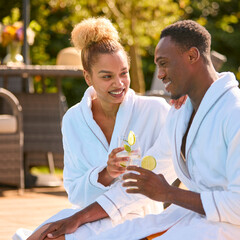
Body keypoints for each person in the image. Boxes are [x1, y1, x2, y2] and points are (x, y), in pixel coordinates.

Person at [78, 20, 240, 240]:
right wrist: (78, 218)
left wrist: (169, 193)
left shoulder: (234, 112)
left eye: (164, 64)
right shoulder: (180, 113)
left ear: (192, 56)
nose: (160, 74)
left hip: (225, 229)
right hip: (186, 219)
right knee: (89, 235)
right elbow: (144, 176)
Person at [26, 17, 181, 240]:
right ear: (88, 77)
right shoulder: (74, 120)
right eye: (107, 76)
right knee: (40, 235)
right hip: (89, 214)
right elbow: (75, 191)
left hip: (137, 217)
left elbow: (180, 153)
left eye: (124, 73)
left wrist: (186, 105)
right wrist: (105, 174)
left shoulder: (155, 111)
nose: (119, 84)